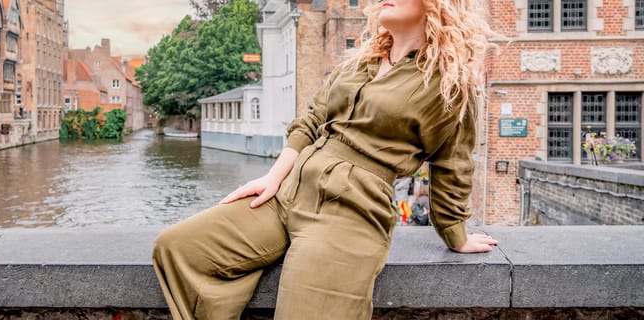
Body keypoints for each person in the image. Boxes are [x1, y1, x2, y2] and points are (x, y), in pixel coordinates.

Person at [151, 1, 499, 319]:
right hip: (290, 193)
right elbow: (311, 120)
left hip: (350, 211)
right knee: (179, 248)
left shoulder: (450, 84)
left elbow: (453, 163)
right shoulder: (359, 63)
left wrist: (455, 233)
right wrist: (273, 177)